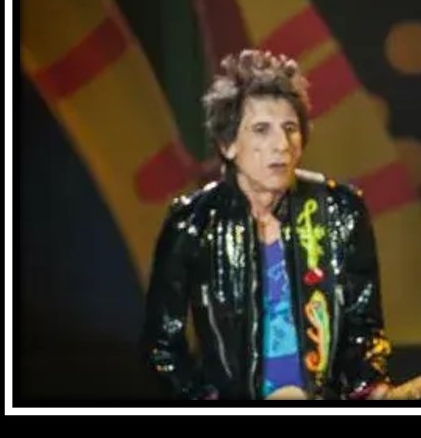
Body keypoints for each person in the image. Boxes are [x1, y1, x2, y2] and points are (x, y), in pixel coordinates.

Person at [141, 49, 392, 400]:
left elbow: (363, 329)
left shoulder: (341, 211)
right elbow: (162, 348)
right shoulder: (193, 224)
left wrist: (369, 386)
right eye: (261, 130)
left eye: (290, 129)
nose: (281, 145)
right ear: (228, 144)